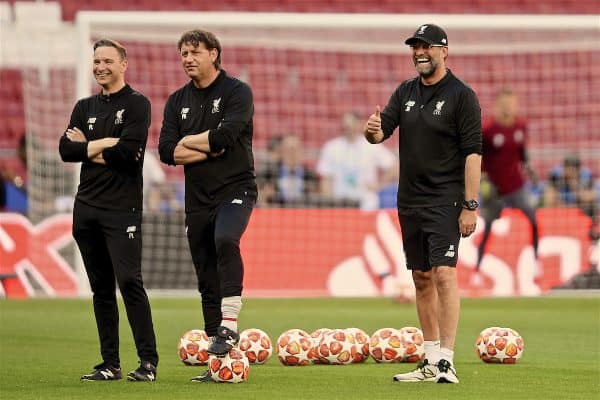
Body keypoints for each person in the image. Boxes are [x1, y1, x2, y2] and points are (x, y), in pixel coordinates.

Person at [364, 24, 482, 384]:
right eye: (415, 47)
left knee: (445, 273)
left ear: (444, 51)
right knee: (421, 277)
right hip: (409, 201)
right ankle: (430, 360)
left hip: (446, 200)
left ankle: (446, 360)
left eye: (427, 46)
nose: (420, 52)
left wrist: (470, 204)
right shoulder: (405, 92)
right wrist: (372, 131)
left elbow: (473, 153)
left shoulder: (462, 96)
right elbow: (382, 130)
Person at [157, 29, 257, 383]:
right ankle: (218, 356)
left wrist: (193, 144)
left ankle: (229, 324)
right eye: (183, 53)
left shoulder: (237, 92)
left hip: (236, 188)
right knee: (204, 272)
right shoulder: (176, 100)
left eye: (194, 52)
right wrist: (203, 144)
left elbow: (226, 137)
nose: (187, 58)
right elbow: (167, 150)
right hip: (196, 198)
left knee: (226, 239)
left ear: (214, 54)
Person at [58, 39, 158, 382]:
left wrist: (86, 146)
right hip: (86, 209)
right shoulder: (84, 106)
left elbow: (129, 155)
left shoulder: (137, 104)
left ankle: (148, 362)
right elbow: (66, 152)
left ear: (123, 64)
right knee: (101, 288)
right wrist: (101, 145)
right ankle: (110, 364)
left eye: (108, 61)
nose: (100, 66)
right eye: (96, 60)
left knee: (130, 282)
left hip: (122, 209)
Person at [475, 88, 540, 276]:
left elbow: (522, 154)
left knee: (533, 220)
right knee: (487, 228)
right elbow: (478, 157)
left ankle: (536, 263)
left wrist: (530, 171)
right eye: (504, 104)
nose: (508, 108)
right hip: (495, 188)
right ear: (497, 106)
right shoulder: (488, 131)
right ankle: (477, 270)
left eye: (511, 104)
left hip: (516, 186)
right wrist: (483, 179)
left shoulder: (521, 127)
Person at [317, 110, 398, 210]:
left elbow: (394, 166)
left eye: (352, 124)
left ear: (360, 124)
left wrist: (379, 185)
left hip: (366, 204)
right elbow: (326, 177)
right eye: (347, 124)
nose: (349, 128)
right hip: (340, 204)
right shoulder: (332, 147)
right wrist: (328, 202)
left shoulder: (371, 146)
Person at [257, 134, 319, 207]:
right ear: (281, 152)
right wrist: (263, 198)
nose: (292, 154)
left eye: (295, 150)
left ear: (301, 152)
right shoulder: (268, 174)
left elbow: (318, 200)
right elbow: (259, 200)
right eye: (288, 150)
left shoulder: (311, 175)